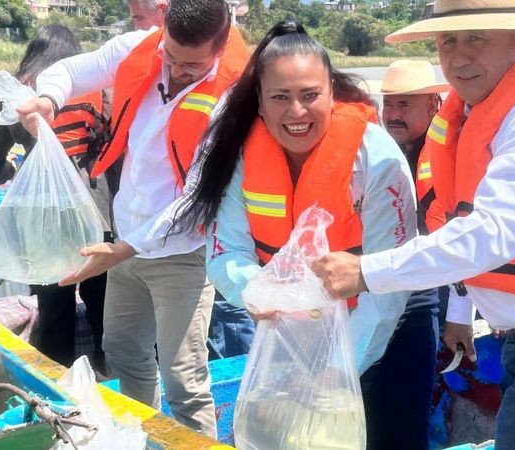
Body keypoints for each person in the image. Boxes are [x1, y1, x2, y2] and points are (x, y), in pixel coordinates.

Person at [311, 1, 515, 448]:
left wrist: (365, 273)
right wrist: (461, 314)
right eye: (448, 40)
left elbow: (492, 234)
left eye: (476, 38)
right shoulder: (471, 112)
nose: (459, 56)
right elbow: (457, 219)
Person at [172, 20, 418, 447]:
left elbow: (389, 285)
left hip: (385, 323)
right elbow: (226, 249)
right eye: (280, 98)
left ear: (331, 94)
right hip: (289, 333)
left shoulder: (377, 160)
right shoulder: (239, 157)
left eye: (310, 96)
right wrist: (260, 292)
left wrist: (336, 368)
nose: (297, 112)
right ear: (261, 104)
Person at [15, 0, 249, 438]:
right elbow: (70, 71)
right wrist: (47, 99)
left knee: (184, 378)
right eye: (171, 56)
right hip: (124, 243)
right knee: (123, 355)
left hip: (182, 254)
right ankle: (140, 441)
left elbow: (197, 199)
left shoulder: (233, 97)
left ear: (219, 47)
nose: (177, 70)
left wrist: (123, 248)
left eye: (192, 65)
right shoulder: (140, 47)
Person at [0, 24, 112, 374]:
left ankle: (55, 384)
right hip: (99, 217)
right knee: (103, 306)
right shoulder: (99, 90)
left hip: (44, 221)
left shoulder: (21, 97)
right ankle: (113, 381)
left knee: (53, 308)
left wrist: (9, 172)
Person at [362, 59, 452, 448]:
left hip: (427, 293)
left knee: (406, 419)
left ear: (433, 105)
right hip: (373, 288)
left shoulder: (447, 154)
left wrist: (459, 317)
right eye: (390, 104)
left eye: (405, 105)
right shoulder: (375, 154)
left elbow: (460, 239)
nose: (393, 115)